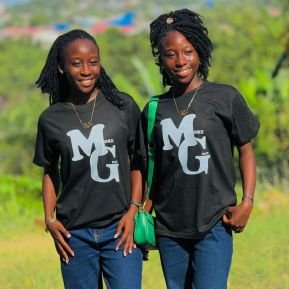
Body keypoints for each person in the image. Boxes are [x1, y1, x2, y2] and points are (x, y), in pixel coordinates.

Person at [137, 9, 260, 289]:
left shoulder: (224, 97)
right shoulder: (154, 109)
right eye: (170, 54)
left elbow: (246, 149)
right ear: (161, 60)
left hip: (215, 221)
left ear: (200, 52)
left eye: (188, 51)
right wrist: (142, 214)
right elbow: (150, 166)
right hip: (169, 227)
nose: (180, 61)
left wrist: (248, 201)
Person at [33, 29, 143, 289]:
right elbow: (50, 172)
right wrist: (50, 219)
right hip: (75, 236)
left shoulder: (123, 106)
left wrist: (134, 209)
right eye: (76, 63)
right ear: (61, 67)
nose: (86, 70)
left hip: (120, 228)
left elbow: (138, 161)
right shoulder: (51, 119)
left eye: (93, 62)